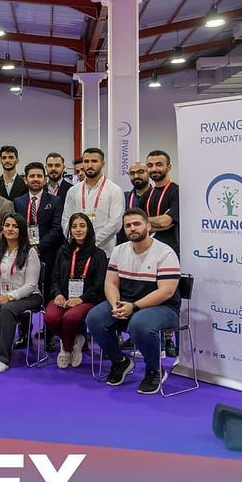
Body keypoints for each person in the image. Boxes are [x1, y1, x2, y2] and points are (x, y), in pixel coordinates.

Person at [86, 208, 181, 394]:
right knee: (94, 318)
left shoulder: (165, 253)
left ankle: (154, 370)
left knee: (139, 324)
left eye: (137, 224)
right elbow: (111, 283)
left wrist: (134, 306)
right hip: (127, 304)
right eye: (128, 225)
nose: (132, 228)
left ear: (148, 226)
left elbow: (166, 292)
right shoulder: (119, 250)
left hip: (163, 308)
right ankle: (120, 361)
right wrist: (115, 304)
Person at [0, 213, 42, 373]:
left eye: (15, 226)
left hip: (28, 296)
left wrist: (9, 297)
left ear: (21, 230)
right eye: (7, 225)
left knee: (7, 309)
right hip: (0, 294)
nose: (10, 229)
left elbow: (31, 284)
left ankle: (2, 358)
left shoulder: (30, 253)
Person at [46, 213, 107, 369]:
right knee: (50, 317)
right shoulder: (63, 251)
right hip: (64, 296)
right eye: (74, 226)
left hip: (87, 299)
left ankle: (66, 349)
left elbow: (99, 284)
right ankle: (73, 342)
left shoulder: (99, 254)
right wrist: (58, 294)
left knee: (70, 318)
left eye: (82, 226)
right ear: (70, 230)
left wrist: (81, 299)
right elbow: (55, 276)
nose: (78, 230)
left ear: (89, 229)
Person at [61, 148, 124, 256]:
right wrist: (76, 241)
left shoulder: (114, 190)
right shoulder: (73, 191)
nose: (90, 165)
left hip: (104, 252)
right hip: (77, 251)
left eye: (94, 161)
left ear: (103, 163)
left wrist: (91, 242)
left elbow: (115, 223)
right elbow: (66, 220)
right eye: (86, 161)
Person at [14, 162, 63, 299]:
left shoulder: (55, 201)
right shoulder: (18, 201)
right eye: (32, 176)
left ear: (45, 179)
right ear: (25, 179)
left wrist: (38, 247)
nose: (35, 179)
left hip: (47, 253)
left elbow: (57, 228)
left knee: (45, 289)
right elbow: (16, 227)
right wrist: (26, 247)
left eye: (39, 176)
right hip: (23, 252)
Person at [143, 150, 180, 255]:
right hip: (147, 249)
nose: (154, 169)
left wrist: (145, 221)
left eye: (159, 165)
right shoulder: (146, 195)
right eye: (150, 165)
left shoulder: (177, 192)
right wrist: (154, 223)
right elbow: (139, 224)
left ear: (169, 167)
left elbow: (164, 222)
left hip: (170, 251)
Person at [118, 161, 151, 245]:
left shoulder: (157, 195)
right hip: (128, 245)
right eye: (132, 173)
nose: (136, 176)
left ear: (148, 173)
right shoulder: (124, 197)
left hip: (154, 245)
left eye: (140, 172)